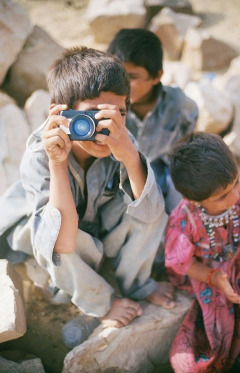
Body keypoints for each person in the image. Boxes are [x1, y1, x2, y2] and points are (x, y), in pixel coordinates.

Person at [0, 46, 175, 342]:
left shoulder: (120, 138)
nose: (102, 129)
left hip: (97, 221)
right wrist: (57, 162)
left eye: (118, 113)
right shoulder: (41, 154)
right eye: (90, 117)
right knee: (60, 236)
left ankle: (135, 285)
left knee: (150, 203)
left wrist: (130, 157)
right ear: (61, 114)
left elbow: (150, 215)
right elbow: (63, 241)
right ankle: (100, 303)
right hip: (45, 229)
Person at [165, 132, 240, 373]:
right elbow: (181, 263)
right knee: (216, 331)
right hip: (206, 272)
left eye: (236, 182)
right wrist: (215, 278)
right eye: (223, 196)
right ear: (194, 200)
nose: (235, 195)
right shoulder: (184, 219)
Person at [107, 28, 198, 214]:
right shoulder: (106, 105)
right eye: (117, 73)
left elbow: (185, 155)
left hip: (163, 177)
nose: (121, 83)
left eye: (131, 77)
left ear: (156, 76)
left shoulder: (181, 107)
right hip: (116, 176)